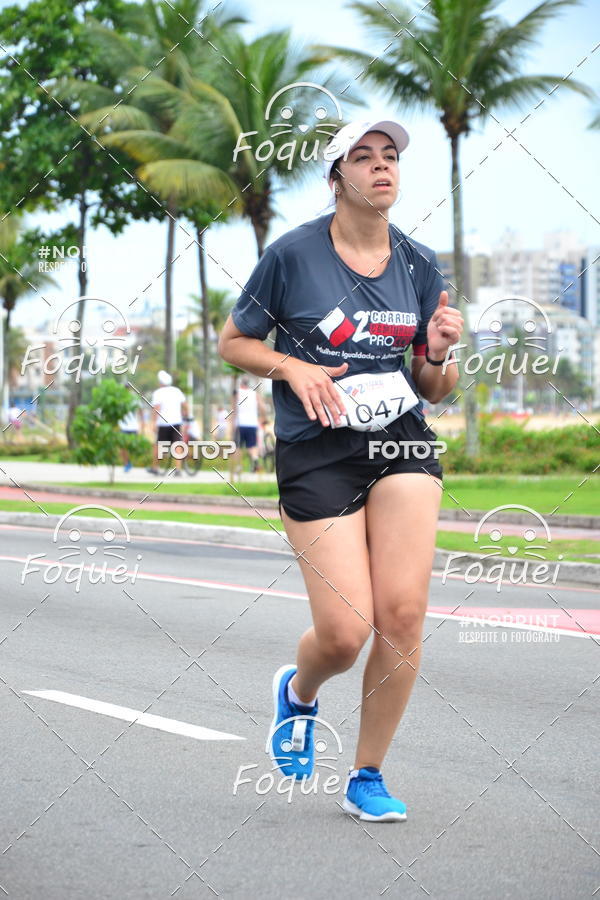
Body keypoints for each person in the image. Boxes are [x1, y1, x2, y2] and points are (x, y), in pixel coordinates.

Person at [218, 118, 463, 822]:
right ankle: (298, 693)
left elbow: (433, 388)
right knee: (345, 633)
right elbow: (235, 342)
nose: (382, 167)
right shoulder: (291, 255)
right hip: (316, 448)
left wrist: (439, 352)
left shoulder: (419, 264)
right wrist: (292, 368)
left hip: (400, 441)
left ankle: (366, 775)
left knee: (403, 613)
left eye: (390, 157)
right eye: (364, 157)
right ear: (337, 178)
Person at [147, 370, 188, 476]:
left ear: (160, 382)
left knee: (159, 445)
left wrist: (153, 422)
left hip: (163, 423)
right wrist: (185, 416)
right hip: (176, 422)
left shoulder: (158, 393)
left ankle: (155, 467)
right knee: (177, 444)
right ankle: (178, 469)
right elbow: (185, 405)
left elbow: (156, 408)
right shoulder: (177, 391)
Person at [233, 376, 267, 473]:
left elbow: (233, 409)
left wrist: (232, 423)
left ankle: (239, 467)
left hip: (240, 423)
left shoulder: (237, 393)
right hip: (252, 423)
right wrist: (263, 418)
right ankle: (255, 460)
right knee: (252, 445)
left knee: (238, 446)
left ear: (241, 383)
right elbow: (262, 407)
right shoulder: (254, 394)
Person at [118, 385, 143, 472]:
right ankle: (127, 463)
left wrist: (142, 424)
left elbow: (140, 410)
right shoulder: (120, 398)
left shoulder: (135, 398)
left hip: (133, 426)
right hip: (123, 426)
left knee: (132, 447)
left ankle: (130, 461)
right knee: (122, 447)